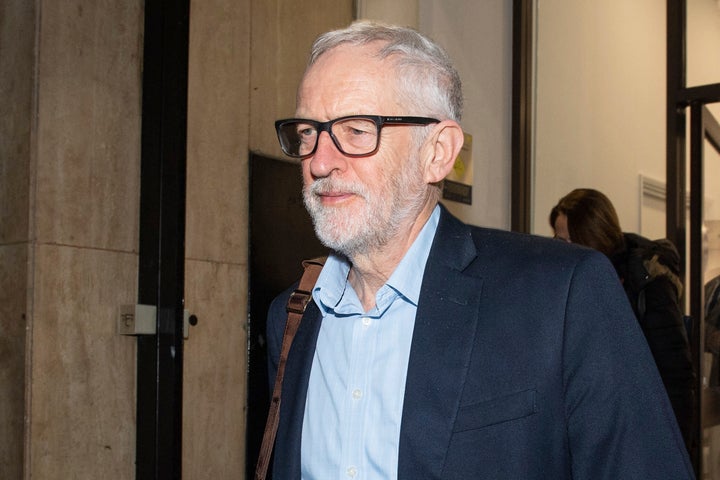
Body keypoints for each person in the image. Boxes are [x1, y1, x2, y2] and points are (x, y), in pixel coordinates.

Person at [265, 21, 695, 479]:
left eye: (355, 130)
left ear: (438, 152)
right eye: (308, 131)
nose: (319, 161)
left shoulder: (561, 297)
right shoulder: (292, 317)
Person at [549, 188, 695, 454]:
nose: (562, 250)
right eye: (559, 240)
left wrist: (676, 453)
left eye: (570, 241)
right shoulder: (570, 283)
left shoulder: (648, 285)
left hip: (638, 435)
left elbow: (676, 375)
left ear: (592, 238)